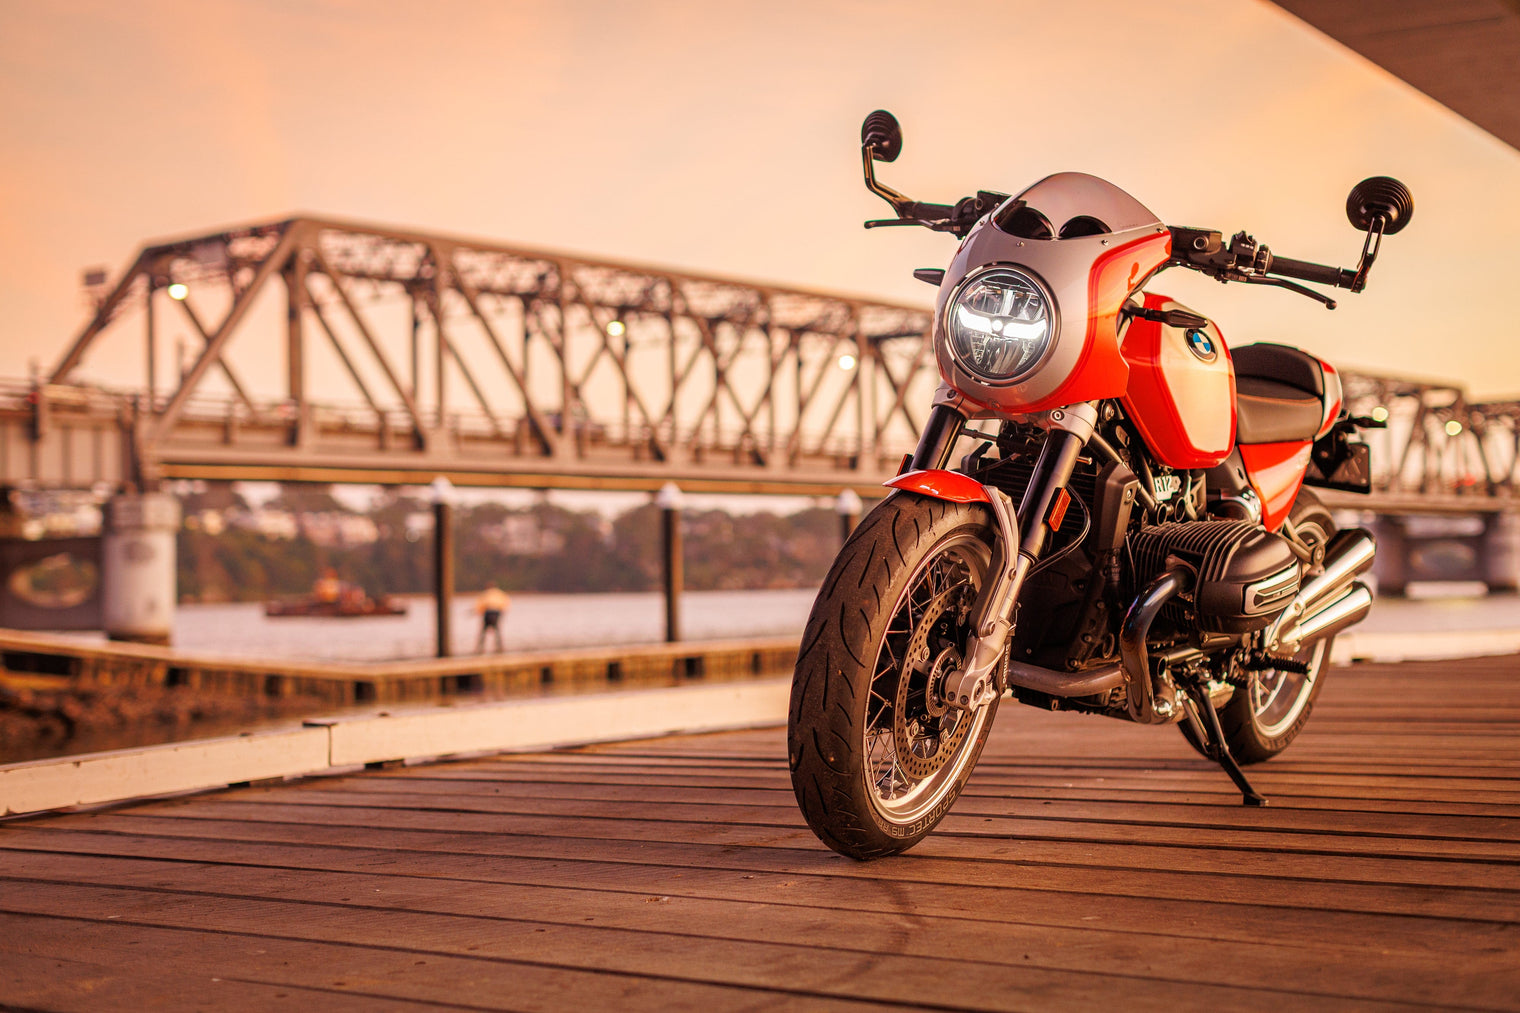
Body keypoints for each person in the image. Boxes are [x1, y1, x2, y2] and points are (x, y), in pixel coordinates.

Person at [475, 584, 511, 653]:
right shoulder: (500, 593)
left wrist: (479, 611)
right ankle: (499, 648)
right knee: (497, 630)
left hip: (488, 612)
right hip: (496, 612)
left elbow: (480, 605)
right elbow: (506, 603)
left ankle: (480, 648)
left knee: (484, 631)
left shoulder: (485, 593)